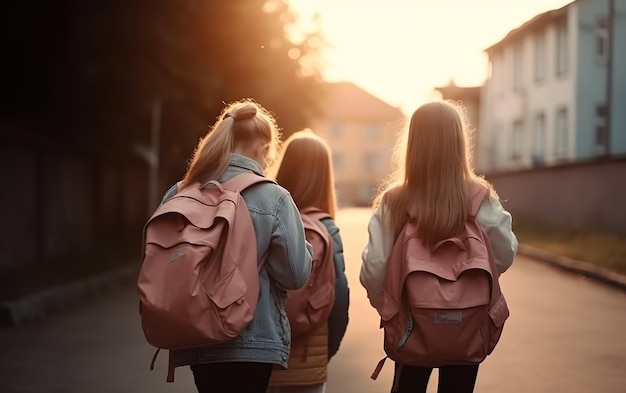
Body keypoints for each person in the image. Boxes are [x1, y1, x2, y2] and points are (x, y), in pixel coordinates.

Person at [360, 100, 518, 393]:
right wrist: (468, 283)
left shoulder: (395, 201)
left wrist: (389, 305)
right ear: (459, 142)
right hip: (467, 323)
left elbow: (375, 266)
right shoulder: (480, 198)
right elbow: (505, 252)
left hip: (410, 322)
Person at [164, 99, 313, 393]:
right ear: (262, 148)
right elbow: (295, 275)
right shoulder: (273, 197)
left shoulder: (179, 191)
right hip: (251, 337)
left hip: (196, 333)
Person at [266, 130, 350, 393]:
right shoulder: (327, 228)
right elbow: (339, 300)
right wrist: (325, 353)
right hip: (308, 357)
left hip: (262, 354)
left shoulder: (266, 218)